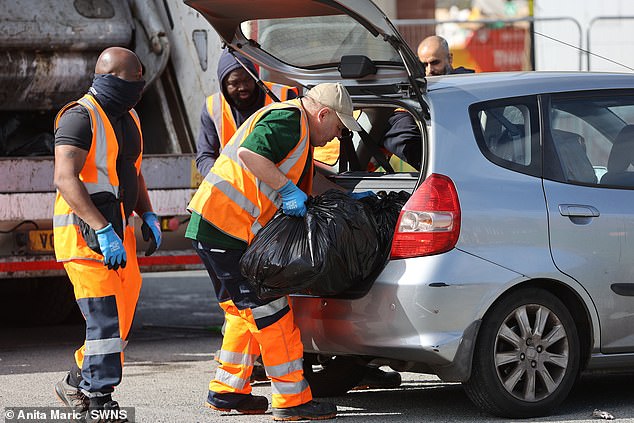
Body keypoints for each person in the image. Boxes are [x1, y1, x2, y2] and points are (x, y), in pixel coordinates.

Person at [186, 82, 365, 420]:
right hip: (227, 229)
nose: (337, 136)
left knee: (244, 313)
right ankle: (293, 400)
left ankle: (228, 392)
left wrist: (353, 198)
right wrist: (287, 192)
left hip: (217, 228)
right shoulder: (289, 121)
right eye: (338, 127)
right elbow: (250, 155)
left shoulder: (298, 132)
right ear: (323, 113)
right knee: (274, 314)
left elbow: (309, 182)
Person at [53, 46, 162, 423]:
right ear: (114, 78)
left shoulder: (128, 116)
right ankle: (99, 398)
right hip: (86, 237)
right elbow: (65, 178)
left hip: (118, 234)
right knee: (105, 320)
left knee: (123, 317)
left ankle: (77, 381)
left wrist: (147, 212)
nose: (141, 88)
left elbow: (132, 170)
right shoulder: (79, 117)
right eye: (136, 80)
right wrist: (101, 229)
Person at [195, 49, 298, 176]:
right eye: (235, 83)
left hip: (280, 178)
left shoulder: (283, 96)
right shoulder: (213, 107)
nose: (243, 87)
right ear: (223, 85)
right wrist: (221, 178)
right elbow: (205, 156)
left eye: (247, 80)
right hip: (236, 184)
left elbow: (300, 146)